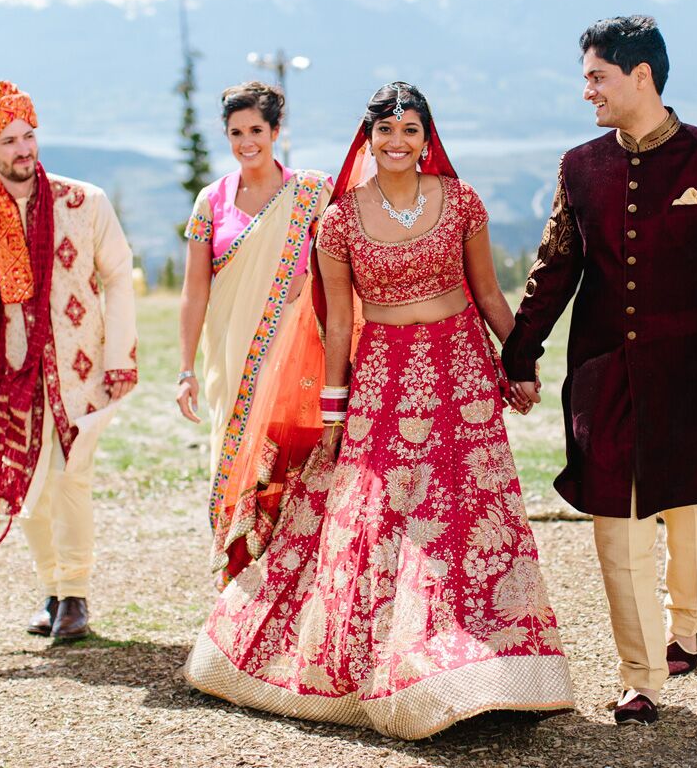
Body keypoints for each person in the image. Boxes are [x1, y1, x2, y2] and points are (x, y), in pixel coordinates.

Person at [184, 83, 574, 739]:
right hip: (385, 382)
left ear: (428, 139)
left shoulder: (462, 201)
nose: (398, 142)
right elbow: (339, 329)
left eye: (411, 131)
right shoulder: (339, 219)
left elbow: (488, 293)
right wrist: (335, 419)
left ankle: (492, 669)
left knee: (469, 519)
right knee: (394, 523)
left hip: (461, 378)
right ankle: (412, 671)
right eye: (386, 130)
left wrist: (520, 361)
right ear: (367, 138)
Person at [503, 16, 697, 726]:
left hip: (692, 374)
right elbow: (553, 267)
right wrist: (520, 351)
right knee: (614, 522)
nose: (586, 88)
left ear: (641, 75)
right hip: (602, 377)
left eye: (597, 75)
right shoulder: (578, 165)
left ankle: (688, 625)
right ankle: (640, 673)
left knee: (685, 506)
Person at [0, 80, 138, 643]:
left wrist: (119, 357)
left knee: (70, 477)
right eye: (10, 141)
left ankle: (76, 595)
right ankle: (52, 591)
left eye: (29, 136)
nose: (24, 149)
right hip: (7, 373)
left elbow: (118, 275)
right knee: (25, 483)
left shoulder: (84, 202)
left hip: (80, 366)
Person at [177, 81, 330, 582]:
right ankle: (240, 577)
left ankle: (294, 579)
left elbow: (337, 267)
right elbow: (195, 292)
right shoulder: (211, 200)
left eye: (256, 130)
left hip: (294, 350)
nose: (247, 142)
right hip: (229, 352)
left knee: (289, 454)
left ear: (276, 132)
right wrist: (185, 370)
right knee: (233, 450)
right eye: (236, 132)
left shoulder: (309, 193)